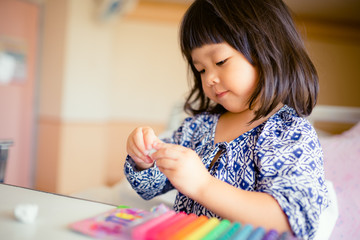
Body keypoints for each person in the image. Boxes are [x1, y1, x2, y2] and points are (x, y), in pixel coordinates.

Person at [124, 0, 329, 239]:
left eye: (220, 61)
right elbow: (151, 187)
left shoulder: (289, 132)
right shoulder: (197, 128)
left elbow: (293, 219)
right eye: (200, 69)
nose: (209, 78)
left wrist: (203, 185)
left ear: (267, 50)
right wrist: (144, 160)